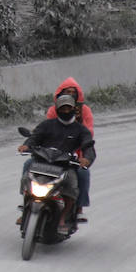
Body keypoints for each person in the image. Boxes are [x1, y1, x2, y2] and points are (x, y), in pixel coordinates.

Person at [19, 92, 95, 235]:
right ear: (57, 109)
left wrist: (87, 159)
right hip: (43, 161)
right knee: (28, 165)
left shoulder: (81, 130)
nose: (65, 111)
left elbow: (88, 146)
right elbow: (34, 137)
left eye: (68, 108)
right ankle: (25, 205)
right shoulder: (47, 125)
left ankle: (64, 217)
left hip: (66, 166)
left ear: (74, 109)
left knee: (72, 184)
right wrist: (26, 146)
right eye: (62, 108)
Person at [45, 77, 92, 221]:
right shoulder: (52, 111)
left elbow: (88, 136)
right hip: (52, 154)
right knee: (30, 166)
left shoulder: (84, 112)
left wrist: (84, 157)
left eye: (73, 92)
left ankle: (79, 208)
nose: (70, 95)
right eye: (67, 92)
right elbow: (43, 132)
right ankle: (27, 205)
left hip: (73, 156)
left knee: (83, 174)